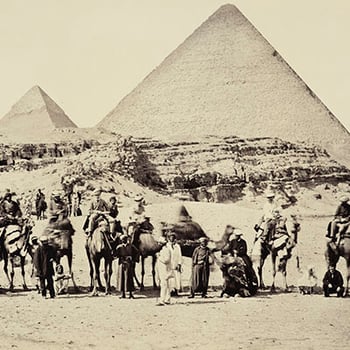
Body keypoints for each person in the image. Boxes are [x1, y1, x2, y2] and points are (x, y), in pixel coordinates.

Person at [115, 234, 139, 299]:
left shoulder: (131, 246)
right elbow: (115, 255)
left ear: (127, 240)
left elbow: (137, 252)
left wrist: (133, 259)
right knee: (122, 278)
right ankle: (123, 294)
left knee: (129, 278)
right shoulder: (119, 247)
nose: (123, 240)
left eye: (125, 239)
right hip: (122, 264)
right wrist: (117, 256)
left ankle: (131, 294)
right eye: (122, 239)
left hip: (129, 264)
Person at [156, 238, 173, 305]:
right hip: (163, 270)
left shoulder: (166, 250)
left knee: (164, 285)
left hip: (165, 270)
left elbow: (166, 260)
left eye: (159, 243)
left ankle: (162, 300)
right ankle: (167, 299)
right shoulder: (164, 249)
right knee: (166, 285)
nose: (158, 244)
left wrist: (159, 257)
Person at [166, 232, 183, 297]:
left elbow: (179, 255)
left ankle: (176, 290)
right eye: (170, 237)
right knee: (170, 279)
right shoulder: (166, 246)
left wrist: (179, 264)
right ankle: (170, 291)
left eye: (173, 237)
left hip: (176, 264)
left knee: (177, 278)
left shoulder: (177, 246)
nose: (172, 238)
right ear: (168, 238)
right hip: (169, 265)